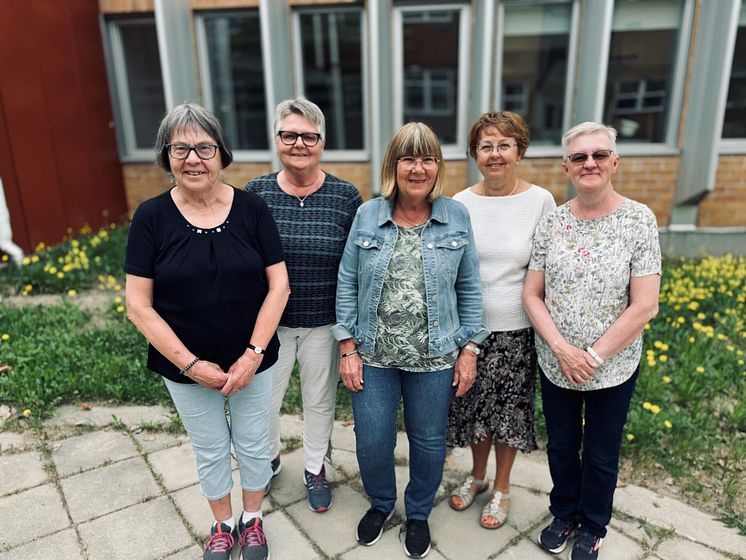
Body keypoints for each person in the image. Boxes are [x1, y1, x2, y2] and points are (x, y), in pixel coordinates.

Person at [125, 103, 290, 560]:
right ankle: (222, 524)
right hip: (185, 365)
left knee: (255, 443)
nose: (193, 158)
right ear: (166, 156)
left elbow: (279, 285)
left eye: (204, 147)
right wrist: (191, 365)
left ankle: (253, 520)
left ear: (221, 154)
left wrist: (253, 353)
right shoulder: (151, 217)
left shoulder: (253, 208)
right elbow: (138, 305)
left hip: (253, 360)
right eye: (181, 148)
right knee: (211, 447)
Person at [332, 122, 489, 559]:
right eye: (408, 158)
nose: (418, 168)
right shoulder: (368, 214)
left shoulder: (455, 215)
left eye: (427, 159)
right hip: (373, 354)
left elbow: (470, 287)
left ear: (437, 166)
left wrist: (470, 349)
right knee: (372, 439)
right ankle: (382, 503)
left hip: (435, 356)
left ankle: (418, 512)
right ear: (393, 165)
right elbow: (346, 282)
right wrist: (347, 346)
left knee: (428, 441)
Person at [523, 122, 661, 560]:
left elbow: (645, 306)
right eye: (579, 157)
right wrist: (563, 350)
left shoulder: (638, 220)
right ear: (566, 167)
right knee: (562, 445)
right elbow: (531, 293)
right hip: (556, 361)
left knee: (601, 453)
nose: (589, 163)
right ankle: (564, 513)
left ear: (614, 162)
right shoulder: (552, 223)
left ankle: (593, 525)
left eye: (599, 155)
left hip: (613, 366)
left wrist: (594, 356)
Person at [244, 97, 363, 512]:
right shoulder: (255, 194)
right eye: (289, 135)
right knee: (264, 400)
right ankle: (270, 457)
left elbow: (355, 267)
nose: (299, 143)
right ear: (277, 140)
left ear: (322, 142)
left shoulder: (345, 196)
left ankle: (315, 468)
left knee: (318, 399)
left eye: (308, 136)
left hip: (323, 324)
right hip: (269, 324)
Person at [446, 112, 555, 529]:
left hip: (518, 329)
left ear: (519, 151)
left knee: (509, 413)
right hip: (468, 329)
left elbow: (544, 267)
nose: (495, 154)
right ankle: (476, 477)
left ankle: (503, 487)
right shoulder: (460, 203)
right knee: (473, 410)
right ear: (475, 153)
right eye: (485, 146)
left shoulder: (540, 201)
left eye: (504, 145)